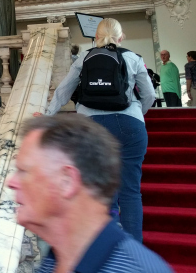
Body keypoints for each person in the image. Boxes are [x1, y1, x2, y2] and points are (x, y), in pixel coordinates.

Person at [7, 114, 172, 273]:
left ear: (67, 182)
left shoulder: (137, 269)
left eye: (23, 171)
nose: (11, 182)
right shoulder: (53, 261)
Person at [43, 18, 155, 242]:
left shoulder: (85, 58)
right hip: (130, 126)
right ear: (121, 37)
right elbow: (149, 94)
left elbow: (64, 91)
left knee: (101, 193)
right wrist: (136, 114)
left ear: (96, 37)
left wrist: (47, 115)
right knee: (130, 192)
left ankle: (108, 253)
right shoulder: (133, 58)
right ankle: (132, 256)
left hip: (91, 127)